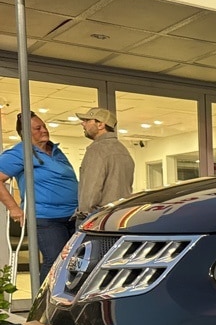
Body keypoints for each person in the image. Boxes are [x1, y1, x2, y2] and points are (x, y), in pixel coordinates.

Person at [0, 111, 79, 275]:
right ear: (25, 133)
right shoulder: (19, 153)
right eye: (38, 128)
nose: (44, 130)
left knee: (74, 261)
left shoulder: (56, 150)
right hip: (47, 218)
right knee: (56, 260)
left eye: (44, 126)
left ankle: (65, 299)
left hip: (73, 216)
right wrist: (13, 208)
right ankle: (45, 300)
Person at [76, 106, 134, 216]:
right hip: (119, 215)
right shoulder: (123, 150)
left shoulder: (97, 149)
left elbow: (91, 190)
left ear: (100, 125)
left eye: (87, 120)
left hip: (99, 218)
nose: (83, 124)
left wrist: (83, 214)